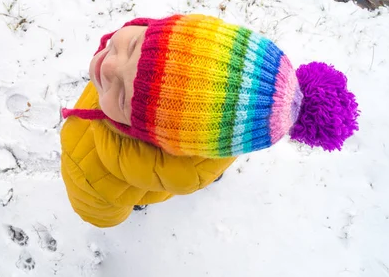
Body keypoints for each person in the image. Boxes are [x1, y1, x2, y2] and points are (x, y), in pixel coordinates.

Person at [60, 14, 359, 227]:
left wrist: (121, 209)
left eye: (124, 95)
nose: (109, 64)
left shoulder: (89, 173)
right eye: (134, 45)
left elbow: (97, 212)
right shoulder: (224, 137)